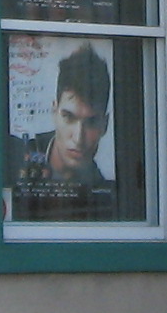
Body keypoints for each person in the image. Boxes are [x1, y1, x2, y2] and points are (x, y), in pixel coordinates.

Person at [13, 43, 114, 212]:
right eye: (69, 117)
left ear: (105, 124)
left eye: (91, 122)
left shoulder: (106, 195)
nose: (78, 137)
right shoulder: (17, 159)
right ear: (54, 111)